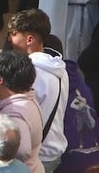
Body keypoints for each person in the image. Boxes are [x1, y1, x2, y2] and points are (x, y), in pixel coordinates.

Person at [8, 9, 68, 170]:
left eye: (14, 34)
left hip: (33, 156)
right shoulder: (60, 69)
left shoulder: (28, 74)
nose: (9, 39)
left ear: (29, 39)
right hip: (53, 151)